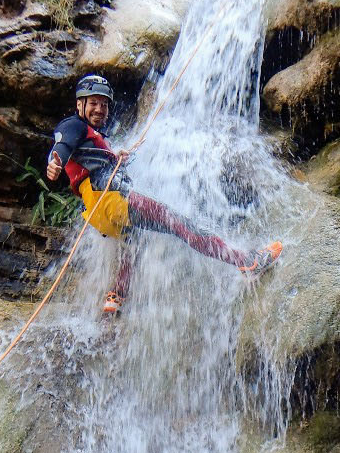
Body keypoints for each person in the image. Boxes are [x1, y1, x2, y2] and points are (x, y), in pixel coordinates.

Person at [46, 75, 282, 316]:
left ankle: (115, 297)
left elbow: (87, 161)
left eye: (104, 104)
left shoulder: (93, 137)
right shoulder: (73, 125)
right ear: (79, 104)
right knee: (179, 223)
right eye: (93, 103)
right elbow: (61, 148)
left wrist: (116, 159)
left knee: (133, 241)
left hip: (98, 214)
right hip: (110, 200)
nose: (100, 109)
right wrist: (55, 163)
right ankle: (247, 261)